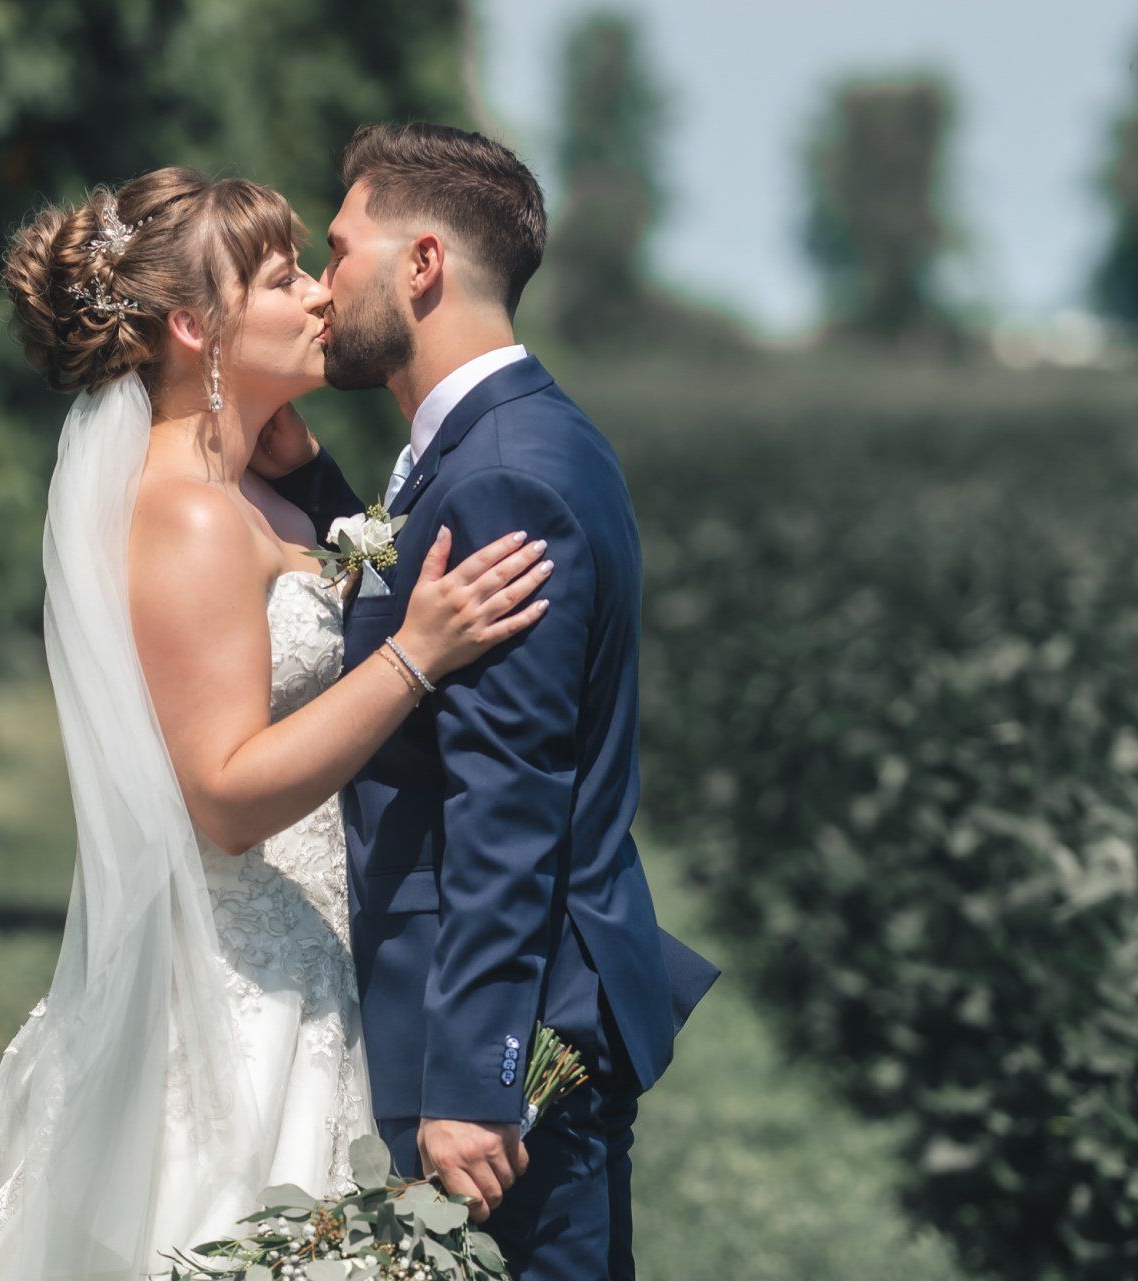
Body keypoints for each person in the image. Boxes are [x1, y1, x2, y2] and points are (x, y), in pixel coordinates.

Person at [0, 165, 552, 1280]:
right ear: (196, 324)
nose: (316, 298)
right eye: (281, 275)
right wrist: (416, 655)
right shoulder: (190, 518)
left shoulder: (262, 494)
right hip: (237, 993)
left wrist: (310, 474)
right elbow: (227, 794)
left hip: (304, 967)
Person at [251, 122, 723, 1281]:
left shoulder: (506, 469)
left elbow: (510, 796)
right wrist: (313, 481)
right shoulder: (494, 443)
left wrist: (476, 1078)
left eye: (342, 248)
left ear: (421, 267)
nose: (322, 287)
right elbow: (424, 626)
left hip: (500, 1037)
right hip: (501, 997)